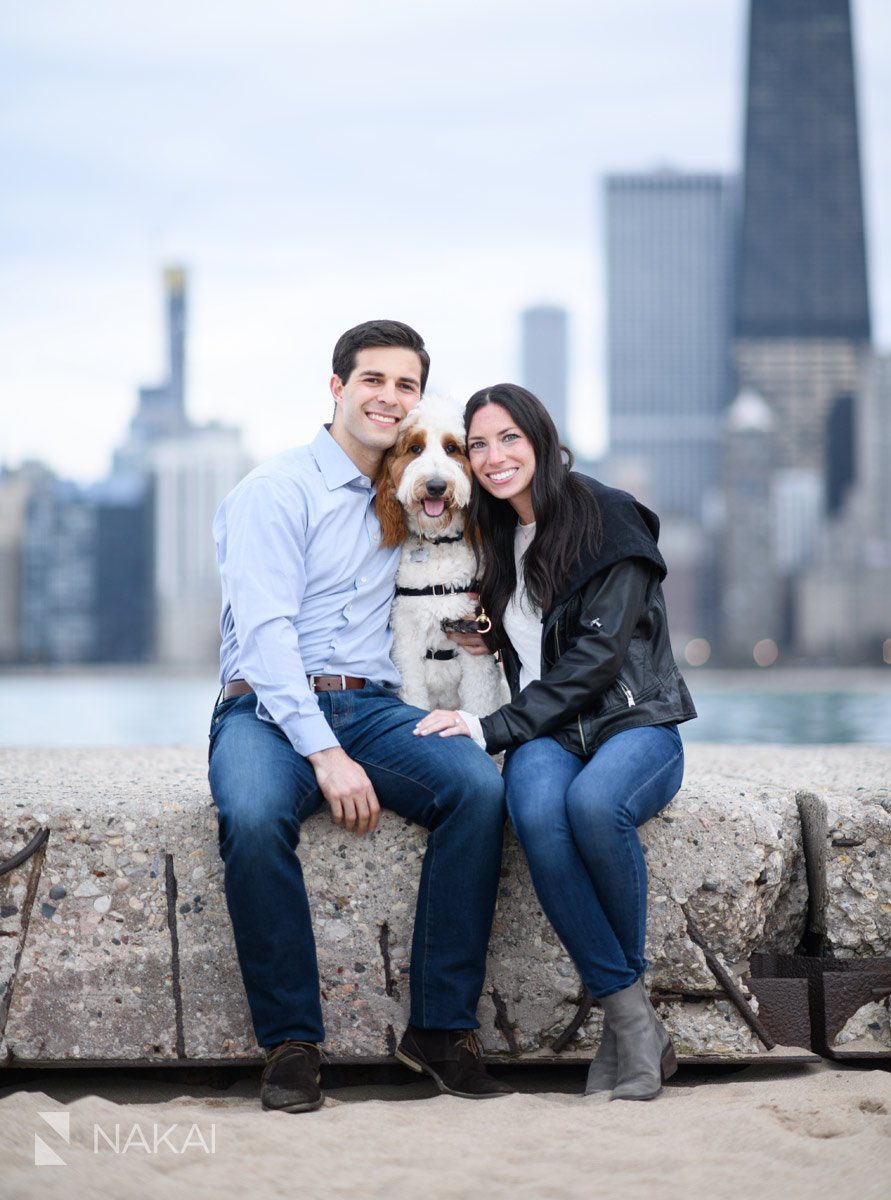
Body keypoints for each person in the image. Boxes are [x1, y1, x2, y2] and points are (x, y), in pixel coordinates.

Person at [209, 321, 511, 1113]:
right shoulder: (274, 491)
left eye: (404, 384)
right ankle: (292, 1043)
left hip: (374, 705)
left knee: (475, 791)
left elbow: (471, 554)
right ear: (337, 388)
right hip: (267, 709)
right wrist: (323, 753)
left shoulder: (414, 485)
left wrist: (477, 625)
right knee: (250, 813)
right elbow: (266, 638)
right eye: (371, 379)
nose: (388, 396)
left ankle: (440, 1031)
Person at [415, 383, 697, 1102]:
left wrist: (489, 728)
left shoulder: (607, 514)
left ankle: (624, 1026)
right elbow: (523, 645)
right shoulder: (495, 536)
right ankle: (635, 1022)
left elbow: (595, 659)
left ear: (540, 439)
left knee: (596, 807)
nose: (492, 456)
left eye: (507, 437)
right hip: (548, 733)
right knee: (535, 812)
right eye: (478, 444)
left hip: (633, 723)